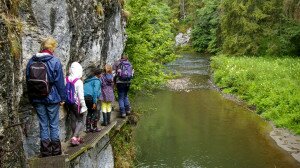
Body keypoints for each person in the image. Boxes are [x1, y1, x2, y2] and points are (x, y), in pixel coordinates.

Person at [26, 37, 65, 157]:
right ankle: (56, 151)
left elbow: (28, 81)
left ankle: (46, 152)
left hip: (37, 98)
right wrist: (62, 98)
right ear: (51, 47)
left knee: (43, 124)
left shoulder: (31, 61)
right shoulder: (55, 61)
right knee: (53, 124)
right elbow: (59, 82)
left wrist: (32, 98)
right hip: (52, 97)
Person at [65, 62, 88, 146]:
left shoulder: (66, 79)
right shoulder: (78, 82)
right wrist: (84, 106)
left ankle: (76, 138)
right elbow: (81, 96)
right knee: (80, 120)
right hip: (76, 103)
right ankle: (74, 137)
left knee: (73, 119)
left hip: (68, 102)